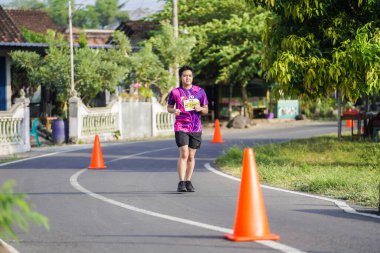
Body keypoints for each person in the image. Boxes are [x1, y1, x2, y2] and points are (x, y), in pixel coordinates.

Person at [167, 65, 209, 192]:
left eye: (189, 76)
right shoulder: (175, 92)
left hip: (195, 127)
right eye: (185, 76)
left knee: (191, 156)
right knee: (184, 153)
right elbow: (169, 107)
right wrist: (174, 110)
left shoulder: (200, 91)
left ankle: (188, 181)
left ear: (192, 77)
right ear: (181, 77)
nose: (187, 78)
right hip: (181, 125)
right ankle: (181, 182)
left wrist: (200, 109)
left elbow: (206, 110)